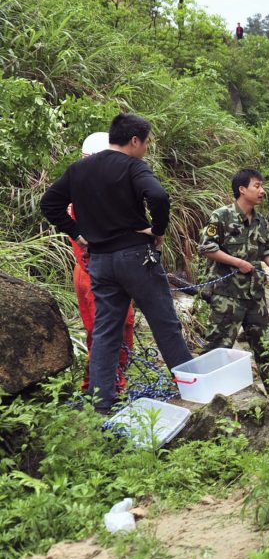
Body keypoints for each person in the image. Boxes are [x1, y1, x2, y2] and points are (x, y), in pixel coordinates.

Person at [41, 113, 193, 412]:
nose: (146, 148)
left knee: (105, 331)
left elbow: (50, 204)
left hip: (99, 261)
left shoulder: (79, 169)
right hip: (135, 257)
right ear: (134, 141)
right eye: (146, 142)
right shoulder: (133, 166)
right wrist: (158, 231)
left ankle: (101, 403)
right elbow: (159, 197)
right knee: (165, 324)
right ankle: (190, 388)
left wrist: (77, 233)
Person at [197, 168, 269, 388]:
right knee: (217, 348)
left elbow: (267, 252)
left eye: (262, 186)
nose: (262, 191)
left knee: (264, 347)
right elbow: (206, 248)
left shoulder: (260, 221)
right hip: (227, 296)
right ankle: (208, 398)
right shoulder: (220, 216)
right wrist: (237, 263)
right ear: (242, 190)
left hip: (254, 295)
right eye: (257, 186)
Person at [68, 132, 135, 392]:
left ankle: (108, 383)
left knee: (121, 326)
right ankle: (101, 388)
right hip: (95, 274)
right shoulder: (85, 196)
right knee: (106, 330)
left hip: (103, 273)